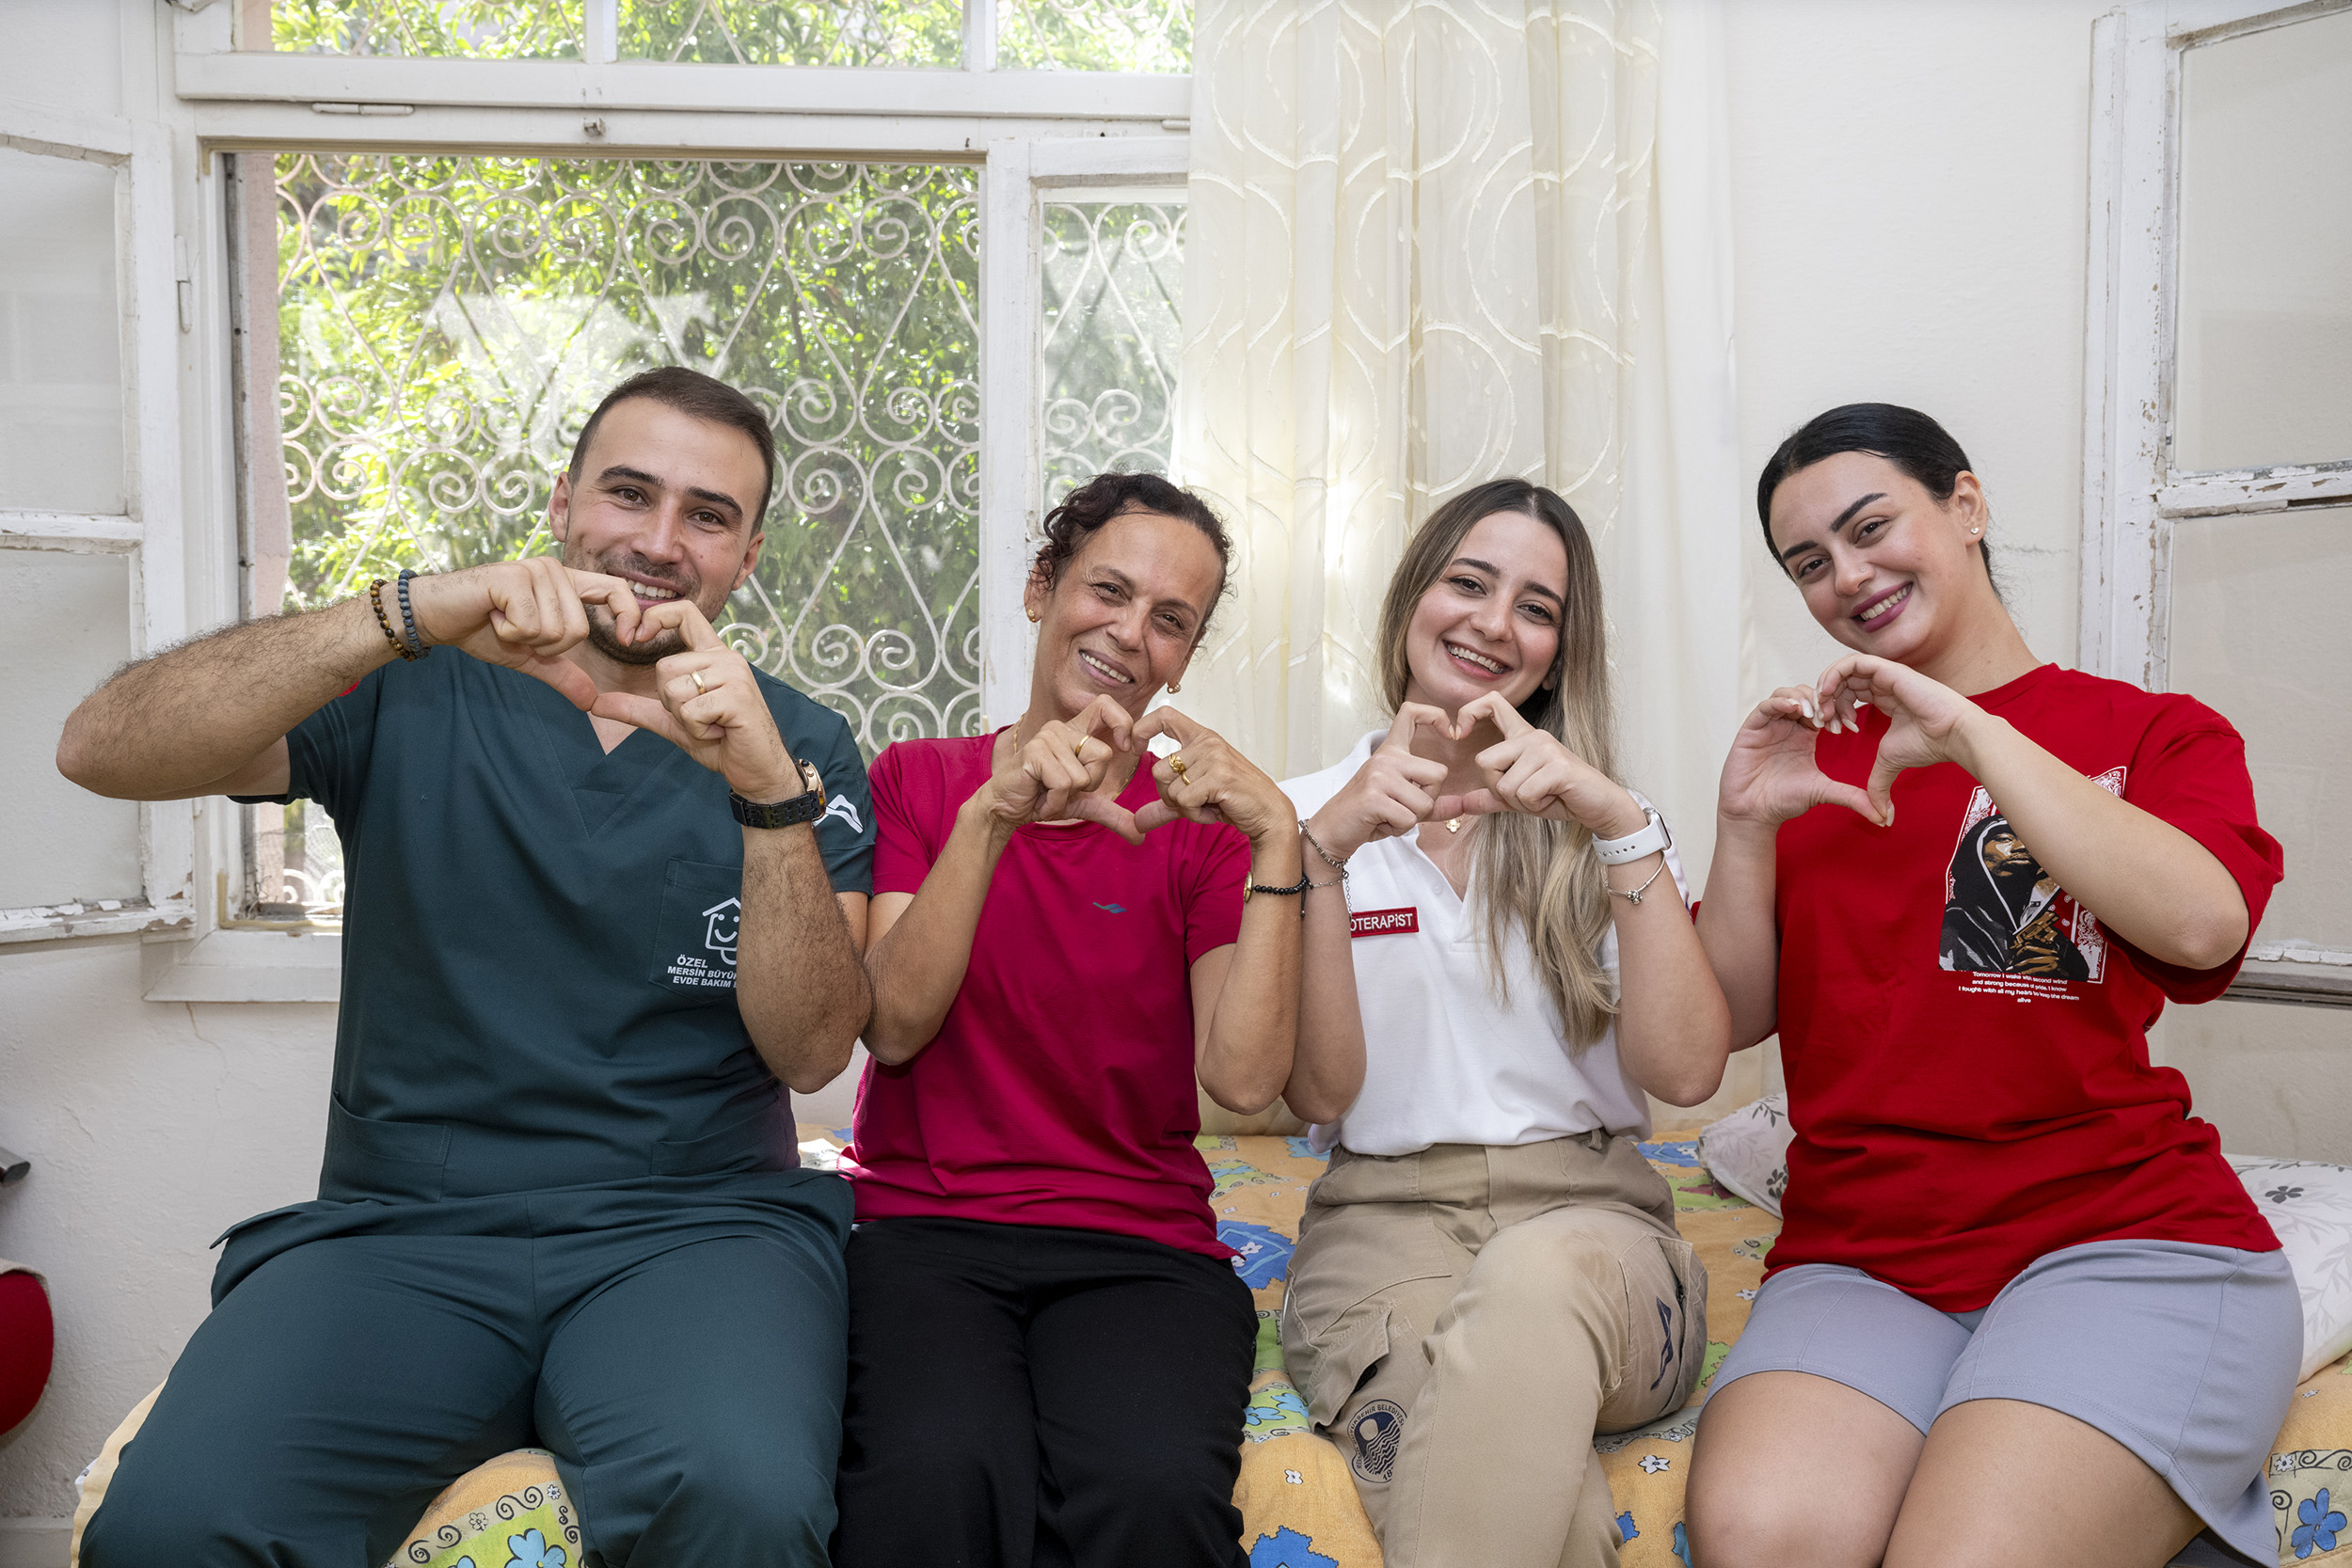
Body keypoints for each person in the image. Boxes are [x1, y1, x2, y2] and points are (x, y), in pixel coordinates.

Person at [59, 368, 876, 1568]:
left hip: (696, 1229)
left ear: (746, 557)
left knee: (742, 1496)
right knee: (168, 1523)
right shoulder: (410, 685)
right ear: (560, 505)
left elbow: (811, 1050)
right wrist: (404, 610)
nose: (659, 542)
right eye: (628, 492)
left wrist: (762, 794)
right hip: (406, 1227)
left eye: (707, 515)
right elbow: (101, 748)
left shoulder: (796, 740)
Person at [1684, 404, 2296, 1568]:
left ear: (1964, 506)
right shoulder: (1815, 766)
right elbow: (1724, 1022)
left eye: (1870, 528)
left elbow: (2203, 923)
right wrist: (1744, 825)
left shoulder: (2150, 732)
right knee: (1757, 1536)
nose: (1845, 576)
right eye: (1807, 562)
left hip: (2121, 1237)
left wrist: (1973, 733)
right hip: (1863, 1255)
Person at [831, 471, 1323, 1568]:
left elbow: (1245, 1081)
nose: (1131, 633)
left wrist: (1277, 837)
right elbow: (893, 1026)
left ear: (1183, 659)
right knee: (934, 1473)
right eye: (1108, 590)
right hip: (922, 1232)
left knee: (1152, 1491)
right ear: (1040, 587)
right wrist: (993, 816)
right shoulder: (921, 781)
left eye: (1171, 619)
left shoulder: (1201, 831)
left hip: (1137, 1245)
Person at [1275, 477, 1731, 1568]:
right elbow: (1316, 1094)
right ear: (1411, 599)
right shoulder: (1299, 816)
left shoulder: (1606, 824)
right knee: (1540, 1510)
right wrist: (1321, 858)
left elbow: (1688, 1071)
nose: (1492, 622)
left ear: (1559, 653)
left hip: (1599, 1230)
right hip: (1384, 1230)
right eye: (1468, 583)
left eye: (1535, 607)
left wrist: (1618, 822)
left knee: (1535, 1273)